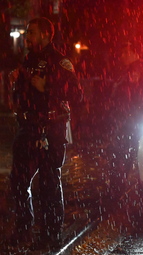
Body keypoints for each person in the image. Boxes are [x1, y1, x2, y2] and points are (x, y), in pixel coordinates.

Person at [8, 17, 83, 251]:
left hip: (51, 130)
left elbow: (77, 95)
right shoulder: (27, 61)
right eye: (27, 32)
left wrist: (47, 87)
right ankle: (23, 228)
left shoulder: (59, 62)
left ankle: (51, 234)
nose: (27, 37)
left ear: (44, 35)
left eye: (31, 33)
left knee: (50, 184)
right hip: (28, 129)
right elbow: (21, 96)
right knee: (18, 181)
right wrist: (16, 83)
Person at [106, 41, 143, 198]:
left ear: (135, 54)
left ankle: (118, 188)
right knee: (125, 154)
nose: (123, 56)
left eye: (127, 53)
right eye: (122, 53)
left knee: (121, 154)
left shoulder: (136, 72)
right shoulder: (129, 71)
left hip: (130, 121)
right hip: (129, 119)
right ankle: (122, 187)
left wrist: (126, 116)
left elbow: (136, 98)